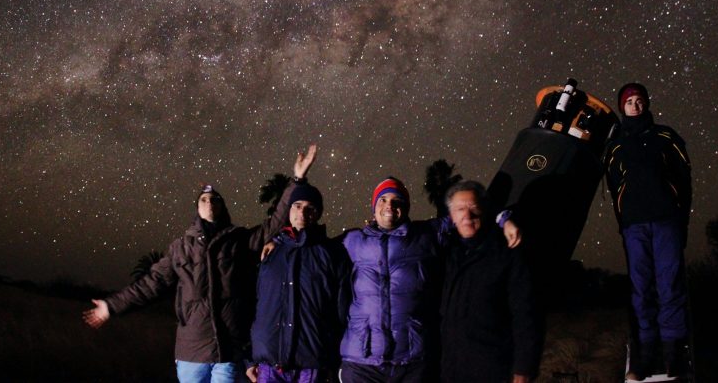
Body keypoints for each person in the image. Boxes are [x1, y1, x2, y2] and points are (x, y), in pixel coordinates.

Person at [83, 145, 317, 383]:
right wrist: (111, 306)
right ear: (197, 208)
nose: (209, 202)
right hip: (191, 352)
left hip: (228, 350)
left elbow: (275, 222)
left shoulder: (239, 241)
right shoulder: (181, 247)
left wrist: (297, 180)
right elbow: (150, 284)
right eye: (204, 199)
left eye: (215, 199)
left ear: (222, 207)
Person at [337, 177, 521, 383]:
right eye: (383, 199)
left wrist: (504, 219)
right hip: (362, 364)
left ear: (406, 208)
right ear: (374, 207)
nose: (390, 205)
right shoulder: (353, 241)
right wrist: (299, 181)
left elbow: (468, 213)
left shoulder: (426, 235)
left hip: (412, 362)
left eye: (397, 201)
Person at [605, 83, 692, 380]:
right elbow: (615, 185)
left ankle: (673, 355)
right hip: (634, 225)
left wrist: (681, 223)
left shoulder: (666, 136)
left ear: (647, 104)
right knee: (641, 290)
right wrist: (623, 223)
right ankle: (645, 356)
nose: (635, 105)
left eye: (640, 100)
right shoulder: (615, 144)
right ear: (622, 107)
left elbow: (684, 181)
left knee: (670, 287)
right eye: (629, 101)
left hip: (666, 221)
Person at [246, 159, 351, 383]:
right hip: (268, 365)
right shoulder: (270, 253)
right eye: (297, 205)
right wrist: (249, 358)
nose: (302, 212)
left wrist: (334, 360)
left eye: (310, 208)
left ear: (318, 213)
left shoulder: (332, 253)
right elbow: (254, 305)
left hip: (311, 365)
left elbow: (341, 312)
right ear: (289, 210)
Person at [440, 180, 541, 383]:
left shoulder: (507, 253)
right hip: (450, 368)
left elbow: (526, 315)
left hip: (494, 368)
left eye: (473, 208)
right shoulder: (444, 252)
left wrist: (523, 369)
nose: (467, 216)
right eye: (460, 209)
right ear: (451, 216)